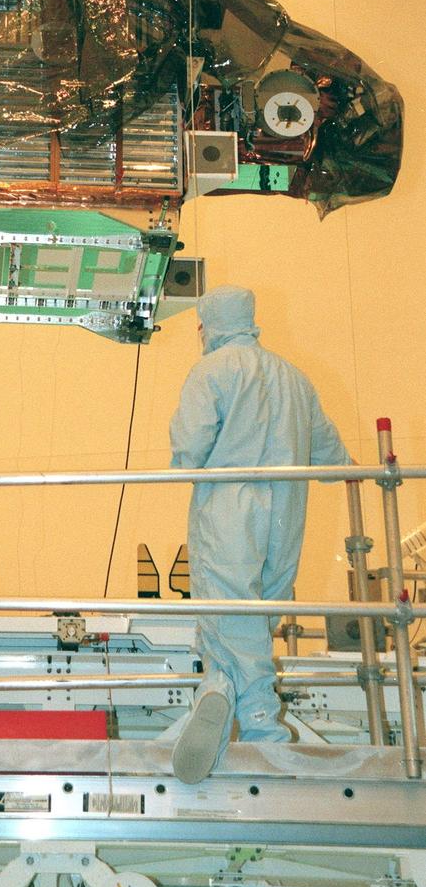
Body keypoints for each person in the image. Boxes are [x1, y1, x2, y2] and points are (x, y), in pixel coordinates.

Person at [168, 286, 349, 783]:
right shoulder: (293, 376)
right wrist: (357, 471)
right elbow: (327, 447)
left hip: (231, 504)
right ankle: (217, 687)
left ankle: (261, 724)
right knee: (261, 610)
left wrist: (185, 466)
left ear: (209, 324)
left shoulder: (211, 371)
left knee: (227, 607)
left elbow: (190, 445)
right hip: (287, 507)